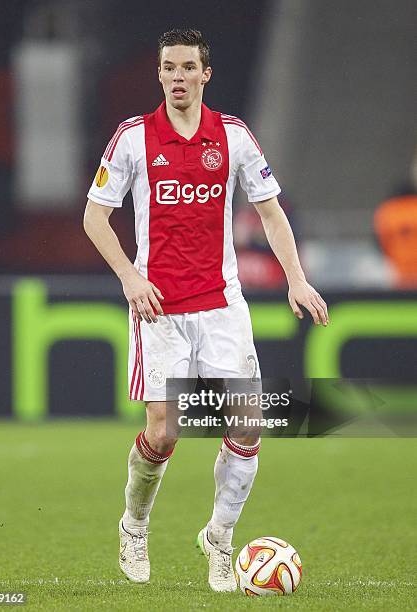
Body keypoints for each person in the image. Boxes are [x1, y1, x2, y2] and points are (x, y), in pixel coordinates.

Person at [83, 29, 329, 592]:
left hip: (222, 303)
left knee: (247, 426)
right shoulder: (133, 138)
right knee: (165, 433)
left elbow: (270, 211)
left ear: (205, 74)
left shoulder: (235, 136)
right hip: (159, 309)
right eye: (168, 67)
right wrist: (129, 275)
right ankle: (135, 526)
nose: (176, 76)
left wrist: (295, 278)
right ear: (160, 74)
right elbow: (95, 218)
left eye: (187, 67)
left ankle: (220, 538)